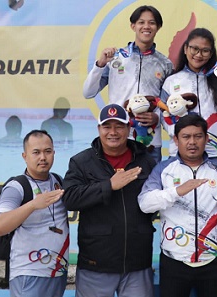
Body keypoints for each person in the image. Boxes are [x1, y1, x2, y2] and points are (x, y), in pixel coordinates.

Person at [61, 103, 157, 297]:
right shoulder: (81, 162)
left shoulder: (146, 161)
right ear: (99, 130)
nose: (113, 132)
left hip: (137, 264)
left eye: (119, 126)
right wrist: (108, 186)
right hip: (96, 264)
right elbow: (70, 198)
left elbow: (156, 202)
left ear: (129, 129)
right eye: (107, 126)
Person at [138, 114, 217, 297]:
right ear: (176, 140)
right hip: (173, 261)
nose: (192, 142)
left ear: (207, 139)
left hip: (214, 262)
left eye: (198, 136)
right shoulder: (163, 169)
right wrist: (176, 191)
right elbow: (144, 204)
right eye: (186, 137)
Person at [83, 5, 173, 162]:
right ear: (133, 26)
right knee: (117, 185)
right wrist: (100, 64)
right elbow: (88, 92)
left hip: (150, 141)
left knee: (149, 186)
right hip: (117, 139)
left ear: (158, 27)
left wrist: (157, 117)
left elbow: (169, 104)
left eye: (151, 23)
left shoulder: (165, 64)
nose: (146, 26)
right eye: (141, 22)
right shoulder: (116, 58)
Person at [0, 130, 69, 297]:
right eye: (36, 152)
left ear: (54, 153)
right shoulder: (16, 187)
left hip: (57, 271)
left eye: (47, 151)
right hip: (28, 273)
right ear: (25, 156)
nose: (43, 157)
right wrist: (33, 205)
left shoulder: (58, 181)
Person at [161, 27, 217, 172]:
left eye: (205, 50)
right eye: (194, 49)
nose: (199, 55)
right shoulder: (171, 81)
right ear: (186, 49)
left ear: (211, 53)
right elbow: (164, 116)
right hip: (183, 154)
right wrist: (182, 135)